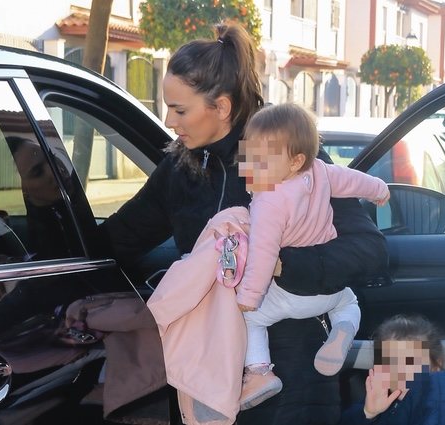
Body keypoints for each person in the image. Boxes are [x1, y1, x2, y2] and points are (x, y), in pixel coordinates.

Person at [101, 22, 388, 424]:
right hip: (212, 370)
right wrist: (44, 209)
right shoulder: (180, 168)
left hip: (291, 373)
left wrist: (284, 266)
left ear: (221, 107)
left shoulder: (286, 157)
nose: (169, 120)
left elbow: (368, 249)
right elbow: (116, 241)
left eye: (180, 109)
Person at [234, 103, 390, 410]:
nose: (251, 166)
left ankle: (259, 373)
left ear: (295, 161)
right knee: (350, 301)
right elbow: (354, 181)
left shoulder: (269, 201)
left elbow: (264, 255)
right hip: (330, 291)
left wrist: (249, 296)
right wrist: (380, 191)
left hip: (292, 295)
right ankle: (343, 328)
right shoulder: (321, 172)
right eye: (249, 157)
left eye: (261, 161)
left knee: (248, 320)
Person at [339, 314, 445, 425]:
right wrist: (369, 413)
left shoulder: (443, 391)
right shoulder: (378, 400)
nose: (400, 371)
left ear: (435, 366)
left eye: (410, 362)